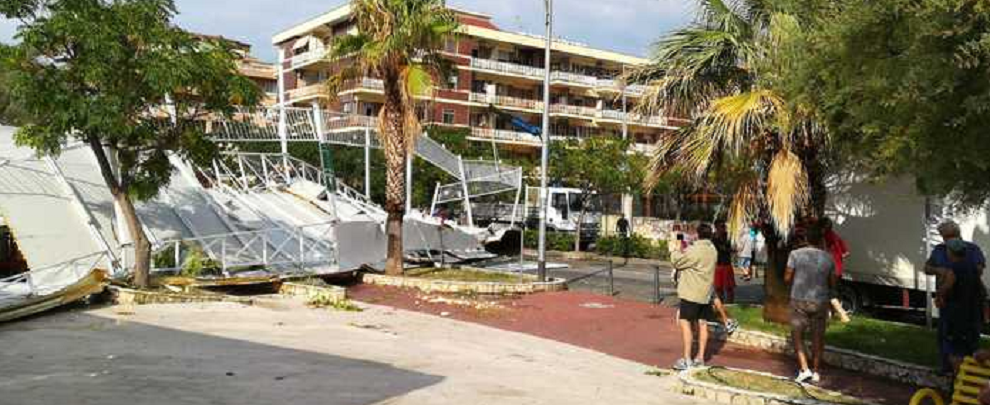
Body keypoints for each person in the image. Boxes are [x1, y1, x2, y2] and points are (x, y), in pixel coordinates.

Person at [926, 221, 986, 375]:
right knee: (950, 338)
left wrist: (940, 294)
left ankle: (960, 376)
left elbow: (952, 283)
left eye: (947, 237)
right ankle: (953, 370)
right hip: (961, 306)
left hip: (960, 306)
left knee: (959, 345)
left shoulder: (970, 252)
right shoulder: (941, 251)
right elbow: (927, 267)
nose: (945, 240)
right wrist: (939, 270)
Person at [785, 226, 837, 384]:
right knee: (818, 338)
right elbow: (833, 282)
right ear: (821, 240)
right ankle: (816, 372)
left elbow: (787, 277)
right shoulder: (828, 258)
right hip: (820, 301)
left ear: (806, 238)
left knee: (797, 335)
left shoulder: (795, 254)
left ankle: (804, 368)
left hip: (798, 300)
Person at [670, 223, 717, 371]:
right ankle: (700, 358)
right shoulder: (712, 249)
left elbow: (676, 260)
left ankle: (687, 358)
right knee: (703, 324)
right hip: (705, 293)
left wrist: (677, 245)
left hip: (691, 293)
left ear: (697, 234)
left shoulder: (695, 250)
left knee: (686, 324)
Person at [820, 217, 852, 323]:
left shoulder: (824, 237)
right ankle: (829, 316)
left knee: (829, 294)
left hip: (829, 270)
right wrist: (838, 257)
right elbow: (846, 253)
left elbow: (822, 251)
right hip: (838, 270)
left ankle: (843, 316)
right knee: (832, 292)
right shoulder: (837, 237)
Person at [713, 221, 736, 303]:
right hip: (718, 265)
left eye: (724, 227)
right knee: (718, 288)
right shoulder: (713, 238)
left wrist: (729, 249)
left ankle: (730, 303)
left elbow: (731, 248)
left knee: (729, 287)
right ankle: (720, 303)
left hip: (726, 264)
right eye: (721, 227)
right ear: (716, 228)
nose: (723, 228)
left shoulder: (728, 236)